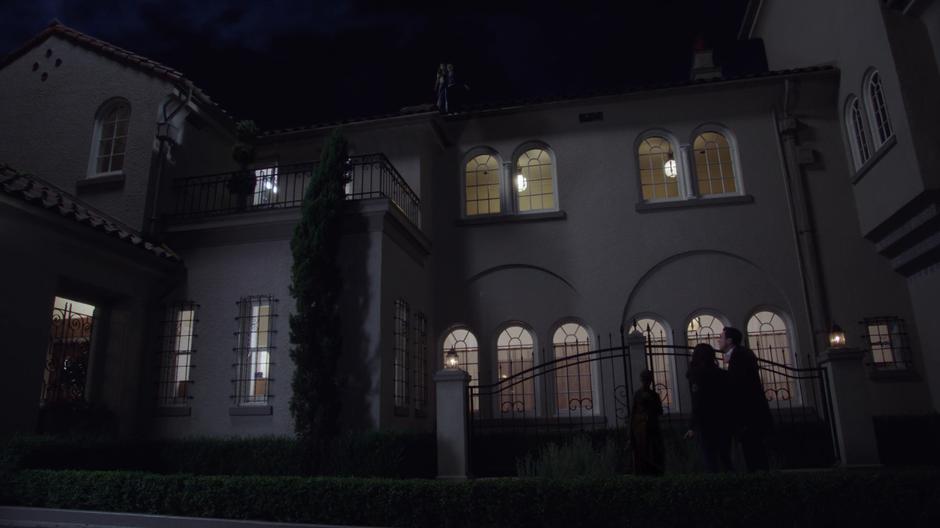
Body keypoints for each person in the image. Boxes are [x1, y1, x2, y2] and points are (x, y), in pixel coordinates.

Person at [720, 326, 773, 472]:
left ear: (729, 341)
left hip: (749, 415)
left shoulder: (739, 356)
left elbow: (740, 386)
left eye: (721, 337)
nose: (719, 340)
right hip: (751, 414)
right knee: (754, 452)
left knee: (753, 452)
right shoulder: (740, 354)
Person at [683, 344, 733, 472]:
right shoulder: (722, 375)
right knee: (725, 457)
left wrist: (692, 426)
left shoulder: (696, 375)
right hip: (724, 420)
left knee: (710, 459)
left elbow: (697, 402)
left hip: (706, 422)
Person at [630, 369, 665, 475]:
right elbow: (633, 412)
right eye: (644, 380)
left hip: (652, 429)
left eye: (648, 380)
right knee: (641, 454)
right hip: (640, 429)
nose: (646, 382)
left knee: (652, 454)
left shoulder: (654, 395)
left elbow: (660, 411)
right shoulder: (637, 394)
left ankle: (652, 472)